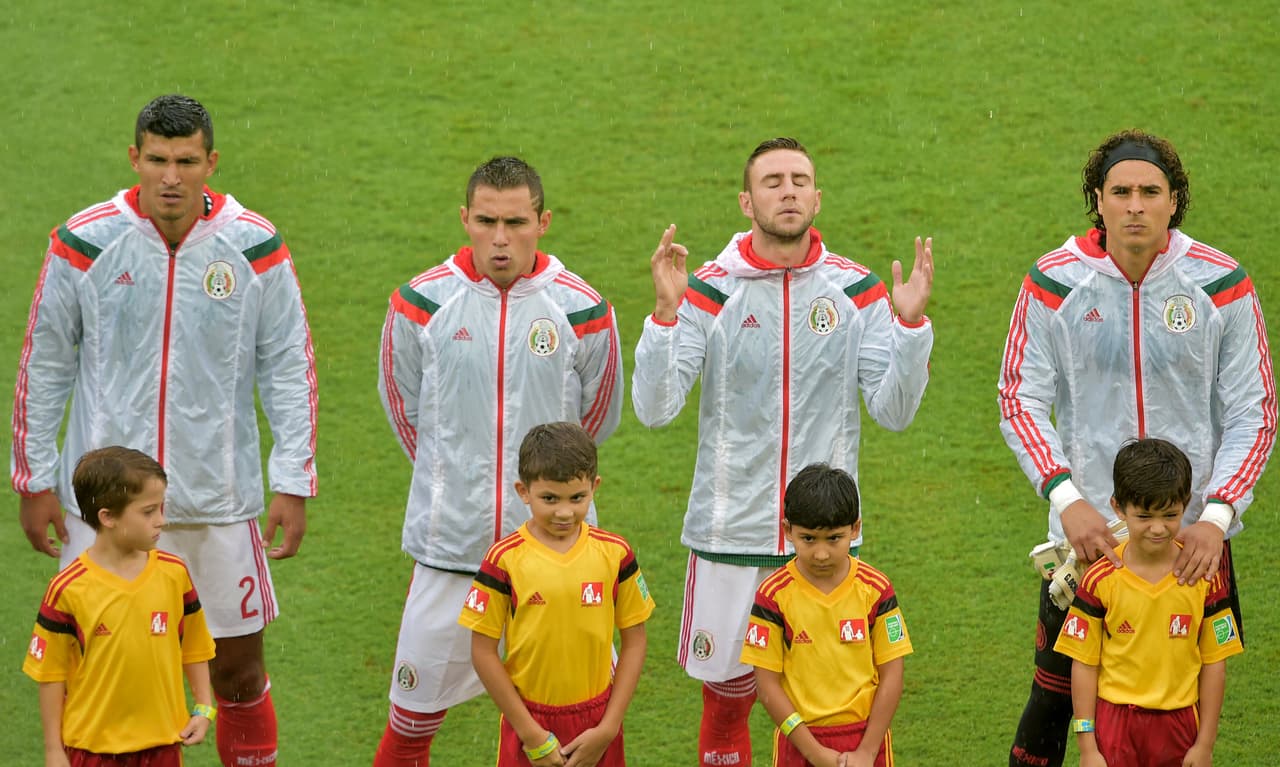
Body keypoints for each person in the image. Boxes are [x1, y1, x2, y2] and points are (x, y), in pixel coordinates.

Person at [11, 94, 319, 766]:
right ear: (134, 159)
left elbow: (290, 365)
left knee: (237, 672)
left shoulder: (255, 246)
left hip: (217, 500)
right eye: (157, 160)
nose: (171, 176)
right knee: (97, 672)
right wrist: (35, 480)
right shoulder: (84, 241)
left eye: (186, 161)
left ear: (211, 163)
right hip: (105, 504)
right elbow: (46, 359)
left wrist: (293, 478)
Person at [632, 136, 934, 765]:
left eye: (800, 179)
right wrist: (664, 314)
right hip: (729, 531)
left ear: (818, 197)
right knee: (728, 699)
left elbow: (895, 411)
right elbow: (655, 408)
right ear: (747, 200)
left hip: (821, 538)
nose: (788, 190)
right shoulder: (707, 291)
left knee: (828, 704)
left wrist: (908, 329)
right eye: (772, 181)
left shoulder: (858, 293)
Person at [998, 129, 1275, 767]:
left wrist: (1216, 517)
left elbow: (1255, 412)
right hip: (1088, 538)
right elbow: (1018, 397)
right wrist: (1067, 498)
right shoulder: (1054, 282)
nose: (1135, 205)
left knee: (1190, 703)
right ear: (1098, 199)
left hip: (1191, 540)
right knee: (1055, 697)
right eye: (1120, 191)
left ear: (1174, 200)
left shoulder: (1221, 283)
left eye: (1150, 191)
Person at [375, 156, 623, 765]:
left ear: (544, 221)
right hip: (450, 555)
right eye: (486, 221)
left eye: (516, 222)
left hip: (556, 561)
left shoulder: (583, 309)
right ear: (465, 219)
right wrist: (451, 479)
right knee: (407, 730)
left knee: (571, 731)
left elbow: (596, 422)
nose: (501, 238)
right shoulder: (419, 304)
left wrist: (545, 502)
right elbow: (405, 413)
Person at [460, 422, 654, 767]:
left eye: (577, 498)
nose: (564, 512)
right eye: (549, 498)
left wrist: (608, 729)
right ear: (523, 490)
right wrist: (531, 733)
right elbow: (482, 651)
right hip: (529, 722)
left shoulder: (616, 553)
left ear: (594, 487)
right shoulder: (503, 559)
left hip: (597, 721)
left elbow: (635, 641)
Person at [24, 446, 217, 767]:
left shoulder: (174, 574)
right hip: (93, 751)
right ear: (108, 517)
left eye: (161, 508)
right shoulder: (69, 588)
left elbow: (195, 646)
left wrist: (203, 706)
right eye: (148, 511)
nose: (161, 521)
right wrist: (53, 750)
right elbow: (51, 675)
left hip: (164, 745)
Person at [1054, 438, 1243, 767]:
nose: (1158, 528)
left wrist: (1205, 744)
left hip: (1180, 725)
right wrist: (1088, 747)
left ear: (1186, 504)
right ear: (1117, 507)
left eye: (1171, 514)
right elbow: (1084, 665)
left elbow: (1215, 664)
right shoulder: (1099, 580)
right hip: (1116, 723)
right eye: (1144, 516)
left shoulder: (1204, 577)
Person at [741, 463, 911, 767]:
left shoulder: (876, 590)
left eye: (834, 538)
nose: (821, 554)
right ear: (788, 530)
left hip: (865, 739)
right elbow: (766, 683)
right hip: (800, 741)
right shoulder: (773, 595)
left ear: (855, 529)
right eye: (808, 539)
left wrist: (867, 751)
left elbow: (892, 674)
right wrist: (813, 752)